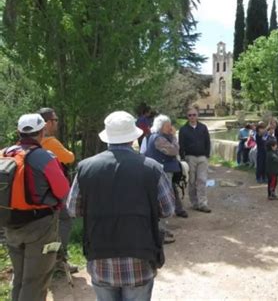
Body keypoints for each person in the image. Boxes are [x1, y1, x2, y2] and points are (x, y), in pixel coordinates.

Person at [67, 111, 175, 301]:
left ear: (107, 137)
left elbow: (73, 209)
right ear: (133, 136)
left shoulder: (85, 167)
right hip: (140, 255)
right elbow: (167, 209)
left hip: (100, 256)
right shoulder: (152, 168)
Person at [3, 113, 70, 301]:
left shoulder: (4, 154)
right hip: (40, 225)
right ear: (42, 133)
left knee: (20, 277)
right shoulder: (44, 157)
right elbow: (63, 190)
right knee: (35, 280)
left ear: (18, 132)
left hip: (10, 224)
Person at [37, 107, 78, 274]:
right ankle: (60, 259)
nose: (57, 123)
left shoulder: (21, 144)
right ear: (46, 123)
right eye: (55, 120)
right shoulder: (50, 142)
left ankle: (44, 261)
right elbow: (69, 157)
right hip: (54, 190)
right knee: (65, 219)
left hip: (36, 193)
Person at [146, 114, 188, 218]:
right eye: (167, 126)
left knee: (172, 190)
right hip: (163, 171)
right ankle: (164, 220)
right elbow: (173, 151)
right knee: (165, 194)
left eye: (170, 125)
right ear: (160, 127)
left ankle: (178, 210)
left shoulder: (162, 137)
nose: (170, 128)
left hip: (165, 169)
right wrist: (174, 136)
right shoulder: (158, 139)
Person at [179, 107, 212, 213]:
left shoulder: (203, 127)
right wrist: (183, 159)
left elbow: (207, 141)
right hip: (190, 157)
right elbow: (181, 145)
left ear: (197, 115)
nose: (192, 117)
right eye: (190, 115)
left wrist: (207, 154)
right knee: (192, 181)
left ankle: (203, 203)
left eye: (194, 115)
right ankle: (195, 203)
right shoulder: (183, 129)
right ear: (187, 117)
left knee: (202, 180)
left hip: (202, 157)